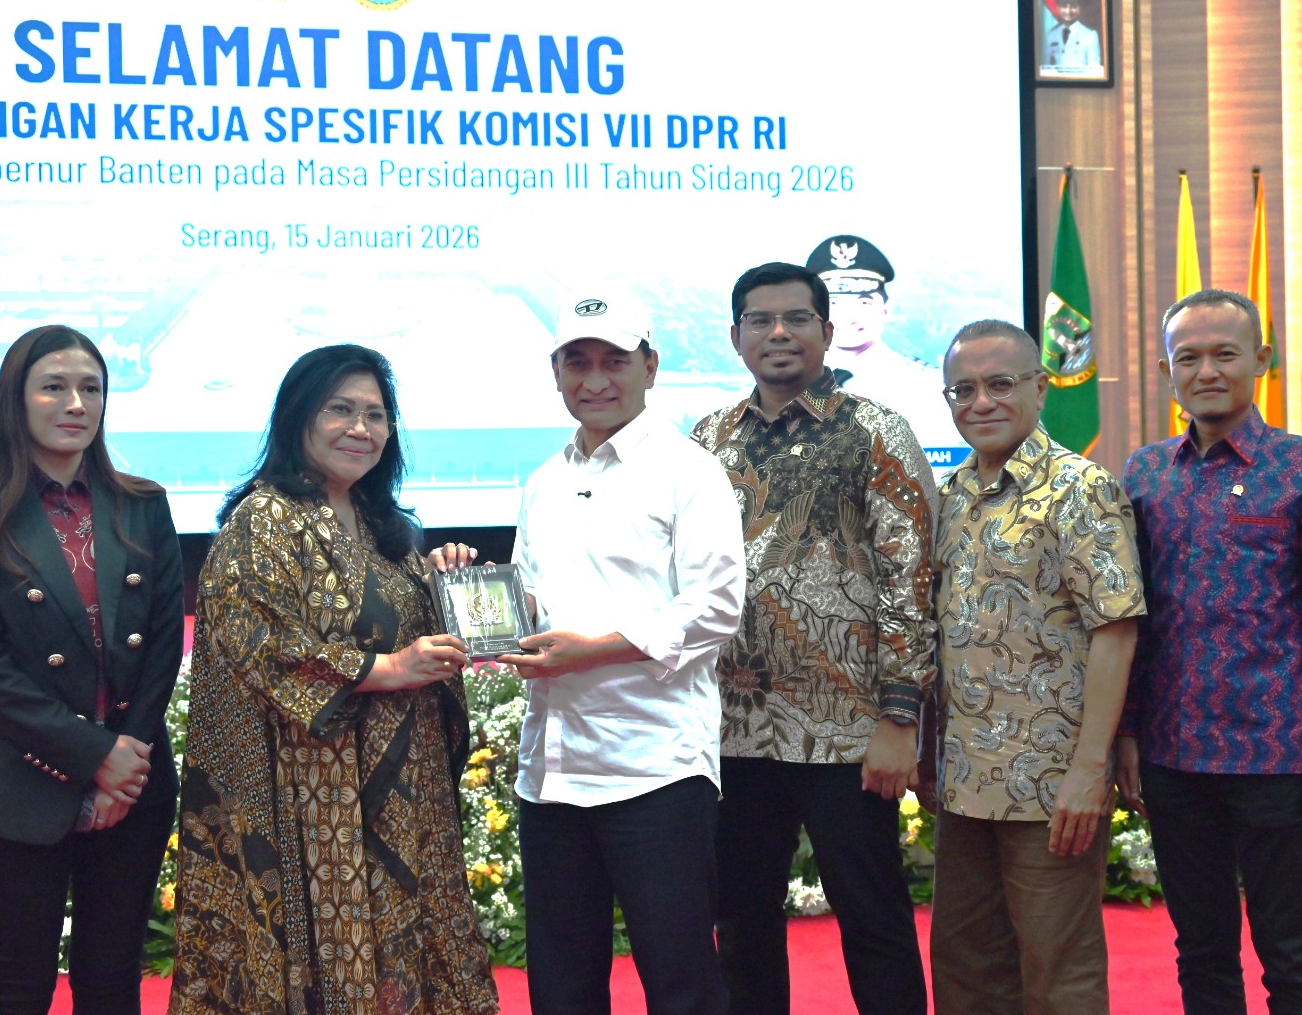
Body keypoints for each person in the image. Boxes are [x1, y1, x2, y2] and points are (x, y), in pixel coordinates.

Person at [167, 345, 496, 1015]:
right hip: (314, 796)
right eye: (340, 410)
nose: (360, 428)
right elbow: (259, 643)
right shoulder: (265, 519)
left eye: (376, 415)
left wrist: (448, 585)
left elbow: (403, 630)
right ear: (299, 419)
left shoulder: (382, 524)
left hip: (404, 791)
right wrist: (389, 669)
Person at [0, 324, 184, 1015]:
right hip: (18, 786)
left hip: (135, 783)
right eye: (54, 387)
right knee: (17, 990)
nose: (75, 404)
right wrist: (95, 756)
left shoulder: (143, 504)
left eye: (91, 388)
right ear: (17, 399)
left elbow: (163, 643)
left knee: (111, 984)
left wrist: (128, 760)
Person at [489, 295, 746, 1014]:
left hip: (654, 772)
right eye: (578, 362)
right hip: (552, 775)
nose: (595, 380)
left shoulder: (689, 471)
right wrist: (483, 602)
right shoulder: (543, 480)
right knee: (562, 987)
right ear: (556, 372)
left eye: (614, 361)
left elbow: (715, 607)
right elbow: (531, 603)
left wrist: (593, 652)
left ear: (650, 367)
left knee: (681, 984)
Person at [691, 262, 934, 1015]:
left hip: (847, 729)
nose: (779, 333)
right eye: (760, 320)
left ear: (826, 332)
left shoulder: (876, 430)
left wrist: (899, 716)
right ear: (736, 336)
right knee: (741, 923)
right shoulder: (707, 440)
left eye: (796, 318)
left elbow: (909, 575)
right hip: (733, 729)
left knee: (873, 915)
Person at [1117, 289, 1302, 1015]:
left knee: (1292, 956)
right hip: (1173, 757)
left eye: (1225, 353)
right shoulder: (1144, 474)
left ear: (1260, 359)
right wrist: (1127, 733)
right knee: (1200, 952)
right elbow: (1133, 620)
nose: (1207, 371)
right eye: (1188, 357)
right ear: (1167, 371)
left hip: (1277, 757)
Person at [925, 319, 1144, 1015]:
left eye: (1000, 384)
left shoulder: (1080, 488)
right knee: (964, 969)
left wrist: (1089, 769)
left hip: (1049, 786)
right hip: (965, 782)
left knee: (1058, 975)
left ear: (1040, 388)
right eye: (963, 390)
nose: (980, 402)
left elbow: (1115, 631)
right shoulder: (952, 493)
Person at [804, 234, 963, 457]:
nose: (849, 316)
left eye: (864, 302)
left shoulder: (927, 386)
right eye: (833, 302)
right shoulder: (783, 386)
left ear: (886, 309)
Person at [1042, 0, 1102, 74]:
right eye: (1064, 6)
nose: (1068, 11)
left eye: (1073, 6)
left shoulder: (1090, 35)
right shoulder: (1051, 35)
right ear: (1057, 8)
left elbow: (1094, 71)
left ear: (1079, 8)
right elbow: (1045, 69)